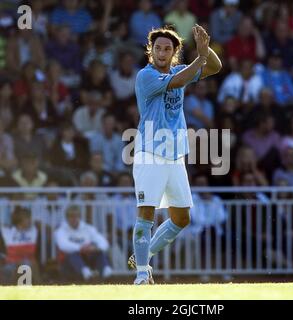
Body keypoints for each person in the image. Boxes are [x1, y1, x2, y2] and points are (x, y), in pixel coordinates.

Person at [128, 25, 222, 285]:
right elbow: (179, 81)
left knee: (181, 218)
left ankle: (141, 256)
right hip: (150, 153)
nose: (161, 52)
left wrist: (205, 50)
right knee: (146, 214)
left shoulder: (181, 69)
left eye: (167, 48)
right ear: (151, 50)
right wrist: (200, 57)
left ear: (174, 53)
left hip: (175, 156)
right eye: (157, 47)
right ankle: (141, 274)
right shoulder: (145, 76)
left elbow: (216, 67)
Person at [55, 205, 113, 281]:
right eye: (71, 216)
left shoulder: (88, 228)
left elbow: (103, 241)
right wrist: (81, 248)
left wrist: (96, 248)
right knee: (72, 253)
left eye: (76, 216)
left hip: (88, 258)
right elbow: (63, 245)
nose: (74, 219)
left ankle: (106, 271)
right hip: (69, 263)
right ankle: (86, 273)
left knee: (99, 252)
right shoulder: (61, 230)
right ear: (67, 218)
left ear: (80, 217)